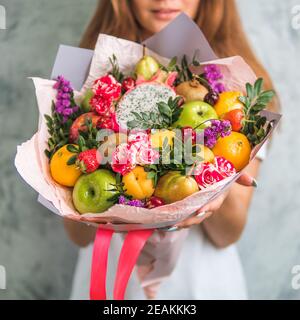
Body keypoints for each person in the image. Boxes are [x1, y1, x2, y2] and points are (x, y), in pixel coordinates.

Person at [65, 0, 279, 299]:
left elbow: (227, 234)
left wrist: (214, 184)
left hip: (201, 285)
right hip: (112, 282)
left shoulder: (240, 93)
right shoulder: (81, 81)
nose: (164, 0)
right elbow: (76, 235)